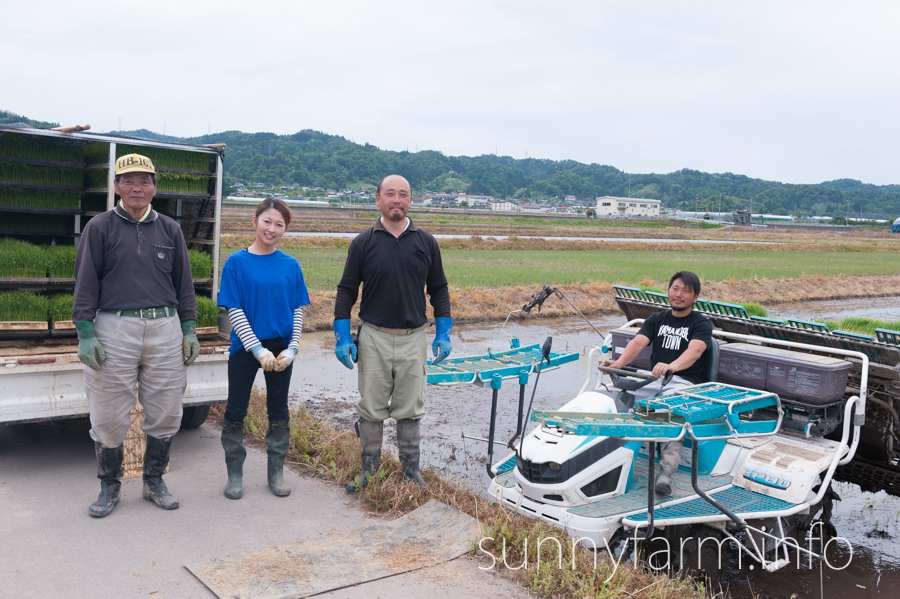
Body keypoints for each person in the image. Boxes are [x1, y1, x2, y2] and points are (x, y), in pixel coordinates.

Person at [73, 153, 200, 518]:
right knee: (109, 414)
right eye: (128, 180)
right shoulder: (99, 227)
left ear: (155, 188)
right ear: (116, 186)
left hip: (165, 327)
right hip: (114, 327)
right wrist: (85, 333)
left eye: (144, 181)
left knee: (166, 410)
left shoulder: (170, 229)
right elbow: (85, 284)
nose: (137, 188)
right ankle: (109, 487)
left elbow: (184, 285)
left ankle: (154, 481)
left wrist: (189, 330)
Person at [333, 174, 452, 492]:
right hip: (374, 337)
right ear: (378, 200)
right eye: (390, 194)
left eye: (403, 194)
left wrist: (443, 332)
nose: (396, 199)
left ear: (411, 200)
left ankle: (410, 470)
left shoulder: (426, 242)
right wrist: (343, 336)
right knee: (371, 406)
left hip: (414, 338)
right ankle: (369, 469)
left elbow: (438, 289)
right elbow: (346, 290)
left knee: (410, 407)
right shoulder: (363, 243)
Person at [216, 198, 310, 499]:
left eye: (279, 224)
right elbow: (234, 309)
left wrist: (293, 347)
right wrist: (256, 348)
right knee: (235, 410)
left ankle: (276, 473)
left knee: (279, 410)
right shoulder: (236, 263)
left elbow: (297, 309)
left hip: (281, 346)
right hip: (246, 347)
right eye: (267, 221)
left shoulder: (290, 265)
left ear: (285, 229)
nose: (272, 229)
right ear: (254, 221)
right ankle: (234, 475)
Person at [601, 271, 712, 495]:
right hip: (656, 379)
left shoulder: (701, 323)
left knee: (667, 411)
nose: (679, 294)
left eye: (685, 291)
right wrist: (619, 363)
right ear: (669, 291)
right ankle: (601, 458)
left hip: (684, 381)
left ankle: (666, 475)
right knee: (611, 397)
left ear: (695, 297)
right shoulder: (656, 319)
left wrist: (673, 366)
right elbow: (638, 342)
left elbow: (695, 351)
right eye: (675, 288)